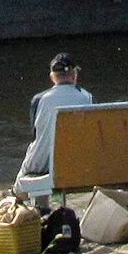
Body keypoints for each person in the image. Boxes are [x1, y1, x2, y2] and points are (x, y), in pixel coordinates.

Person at [15, 53, 95, 196]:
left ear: (52, 77)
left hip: (41, 167)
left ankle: (36, 208)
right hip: (81, 166)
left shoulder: (39, 100)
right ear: (74, 75)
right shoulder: (88, 98)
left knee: (22, 179)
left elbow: (35, 135)